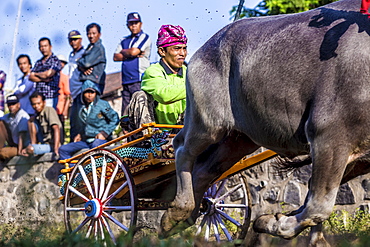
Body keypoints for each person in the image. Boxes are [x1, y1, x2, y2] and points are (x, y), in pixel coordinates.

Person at [59, 81, 119, 160]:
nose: (89, 95)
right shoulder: (79, 107)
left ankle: (96, 169)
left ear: (96, 93)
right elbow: (81, 124)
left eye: (92, 92)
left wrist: (105, 133)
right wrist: (79, 134)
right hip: (85, 141)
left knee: (95, 148)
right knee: (63, 149)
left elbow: (115, 118)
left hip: (99, 140)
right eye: (86, 92)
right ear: (82, 94)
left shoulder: (102, 104)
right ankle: (74, 171)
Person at [140, 24, 187, 125]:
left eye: (184, 48)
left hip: (184, 131)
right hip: (157, 133)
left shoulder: (189, 72)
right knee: (139, 96)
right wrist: (198, 86)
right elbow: (164, 96)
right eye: (177, 48)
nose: (182, 53)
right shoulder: (152, 71)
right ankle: (149, 140)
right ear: (162, 51)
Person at [113, 12, 151, 116]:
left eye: (136, 22)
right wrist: (130, 53)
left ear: (141, 24)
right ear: (127, 25)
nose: (134, 25)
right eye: (131, 23)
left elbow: (133, 52)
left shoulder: (144, 37)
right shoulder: (124, 40)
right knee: (126, 113)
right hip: (126, 81)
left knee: (140, 111)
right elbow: (115, 57)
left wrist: (125, 52)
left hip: (139, 79)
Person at [29, 37, 62, 109]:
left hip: (50, 97)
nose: (43, 48)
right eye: (41, 46)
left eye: (45, 46)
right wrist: (42, 79)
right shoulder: (38, 62)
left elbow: (48, 74)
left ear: (50, 47)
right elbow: (30, 77)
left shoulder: (55, 60)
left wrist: (36, 74)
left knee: (49, 118)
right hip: (39, 98)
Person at [27, 91, 61, 157]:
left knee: (30, 149)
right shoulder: (37, 116)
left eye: (38, 103)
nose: (36, 106)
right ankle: (34, 145)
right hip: (43, 144)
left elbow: (56, 128)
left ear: (44, 102)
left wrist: (56, 148)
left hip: (51, 145)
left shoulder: (49, 110)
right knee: (30, 121)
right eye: (34, 104)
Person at [77, 23, 106, 95]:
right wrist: (81, 67)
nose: (91, 36)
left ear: (99, 34)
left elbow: (86, 63)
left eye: (94, 33)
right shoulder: (90, 47)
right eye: (89, 34)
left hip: (93, 81)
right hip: (90, 80)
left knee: (90, 104)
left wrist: (78, 61)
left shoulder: (98, 48)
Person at [0, 95, 30, 160]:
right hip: (14, 143)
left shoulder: (22, 116)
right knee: (1, 123)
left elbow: (21, 135)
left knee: (2, 153)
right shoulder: (9, 116)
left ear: (18, 105)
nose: (11, 107)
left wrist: (19, 151)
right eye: (9, 104)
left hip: (23, 145)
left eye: (13, 104)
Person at [56, 54, 71, 143]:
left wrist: (65, 110)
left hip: (60, 109)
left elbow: (68, 95)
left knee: (60, 129)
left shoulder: (64, 77)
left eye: (62, 63)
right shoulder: (51, 77)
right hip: (52, 108)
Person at [67, 30, 85, 100]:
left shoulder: (84, 53)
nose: (73, 42)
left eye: (75, 39)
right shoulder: (71, 55)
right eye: (71, 40)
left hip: (81, 88)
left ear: (80, 40)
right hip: (73, 90)